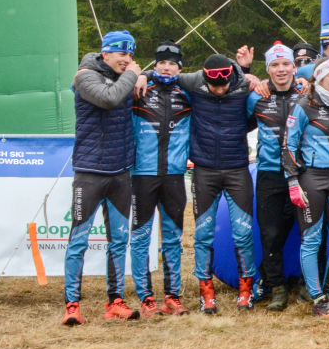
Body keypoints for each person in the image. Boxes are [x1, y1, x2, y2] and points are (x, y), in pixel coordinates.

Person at [62, 30, 142, 325]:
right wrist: (134, 76)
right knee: (79, 241)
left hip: (121, 172)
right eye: (123, 54)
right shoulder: (85, 76)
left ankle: (115, 301)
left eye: (131, 56)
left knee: (119, 240)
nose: (128, 60)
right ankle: (72, 304)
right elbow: (108, 99)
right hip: (89, 173)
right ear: (105, 53)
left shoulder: (125, 76)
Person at [177, 52, 260, 313]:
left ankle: (247, 291)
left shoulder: (244, 86)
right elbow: (164, 74)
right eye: (215, 87)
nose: (220, 90)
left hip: (237, 170)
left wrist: (257, 78)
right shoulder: (194, 83)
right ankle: (206, 292)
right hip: (204, 171)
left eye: (225, 86)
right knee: (202, 234)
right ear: (205, 79)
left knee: (243, 233)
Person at [283, 57, 329, 318]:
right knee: (312, 240)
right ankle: (318, 299)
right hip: (311, 177)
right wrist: (292, 181)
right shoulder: (304, 105)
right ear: (319, 78)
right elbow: (289, 146)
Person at [130, 40, 191, 317]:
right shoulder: (141, 88)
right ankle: (145, 298)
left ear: (180, 67)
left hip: (175, 176)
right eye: (161, 63)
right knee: (141, 237)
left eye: (172, 63)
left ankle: (172, 296)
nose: (166, 67)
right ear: (154, 65)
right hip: (142, 175)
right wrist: (143, 75)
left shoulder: (186, 92)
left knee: (173, 238)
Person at [248, 42, 305, 310]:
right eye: (275, 65)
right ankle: (277, 287)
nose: (281, 70)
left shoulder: (307, 93)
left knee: (310, 233)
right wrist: (247, 74)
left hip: (303, 174)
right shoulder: (256, 96)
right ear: (268, 69)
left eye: (285, 64)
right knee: (270, 233)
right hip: (270, 173)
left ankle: (308, 284)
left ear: (294, 67)